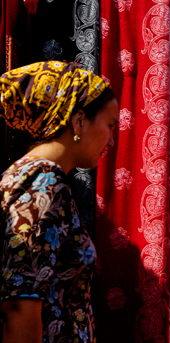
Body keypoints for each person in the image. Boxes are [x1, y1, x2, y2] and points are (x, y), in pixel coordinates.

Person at [0, 61, 118, 342]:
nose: (111, 141)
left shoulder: (33, 176)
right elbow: (19, 303)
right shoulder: (42, 181)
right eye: (110, 125)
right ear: (79, 121)